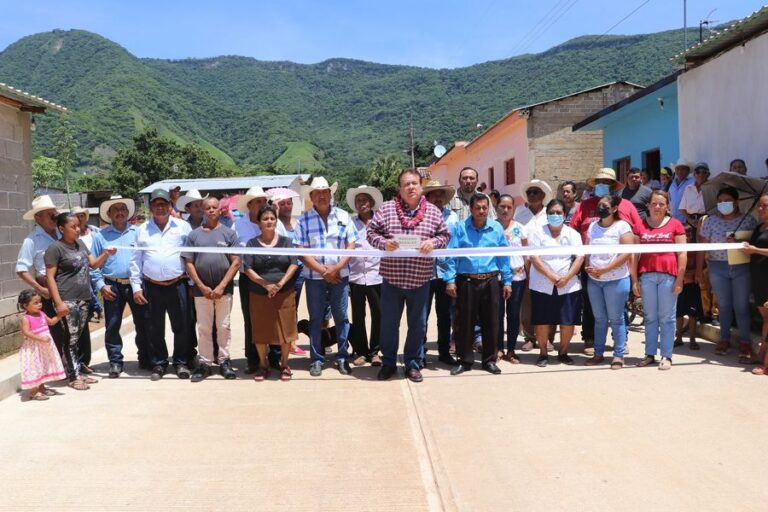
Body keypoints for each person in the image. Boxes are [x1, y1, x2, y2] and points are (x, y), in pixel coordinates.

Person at [367, 169, 450, 382]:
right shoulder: (386, 209)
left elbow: (444, 235)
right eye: (406, 184)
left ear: (421, 186)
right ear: (400, 189)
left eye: (414, 183)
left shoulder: (432, 211)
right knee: (389, 324)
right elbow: (371, 233)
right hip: (392, 279)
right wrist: (384, 243)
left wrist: (433, 243)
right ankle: (388, 363)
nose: (410, 187)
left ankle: (413, 363)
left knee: (418, 324)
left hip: (420, 279)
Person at [570, 167, 642, 356]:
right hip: (590, 268)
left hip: (618, 270)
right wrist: (583, 262)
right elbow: (573, 230)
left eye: (606, 182)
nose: (602, 185)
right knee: (591, 306)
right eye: (599, 182)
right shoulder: (584, 206)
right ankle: (590, 339)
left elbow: (637, 234)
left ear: (612, 185)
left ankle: (621, 341)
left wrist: (633, 267)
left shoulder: (626, 206)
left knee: (619, 309)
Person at [130, 188, 194, 381]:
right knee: (153, 327)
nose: (160, 208)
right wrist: (136, 287)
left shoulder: (183, 227)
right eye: (156, 205)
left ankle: (181, 362)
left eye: (164, 204)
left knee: (182, 325)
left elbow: (191, 255)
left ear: (170, 205)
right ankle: (159, 363)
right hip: (152, 286)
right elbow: (135, 260)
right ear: (150, 208)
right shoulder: (141, 230)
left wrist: (191, 283)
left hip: (178, 284)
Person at [296, 177, 357, 377]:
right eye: (317, 193)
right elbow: (302, 251)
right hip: (315, 278)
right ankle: (316, 359)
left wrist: (337, 267)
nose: (322, 196)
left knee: (342, 317)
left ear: (331, 194)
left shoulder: (343, 216)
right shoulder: (304, 220)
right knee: (316, 319)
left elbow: (351, 245)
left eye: (325, 192)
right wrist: (325, 271)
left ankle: (342, 356)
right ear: (311, 196)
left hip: (341, 276)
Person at [45, 213, 114, 390]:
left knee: (77, 337)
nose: (77, 229)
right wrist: (58, 303)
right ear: (62, 229)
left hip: (84, 298)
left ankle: (77, 370)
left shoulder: (80, 244)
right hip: (67, 299)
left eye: (78, 226)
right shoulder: (55, 248)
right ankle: (74, 376)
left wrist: (106, 254)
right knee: (70, 337)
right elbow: (50, 278)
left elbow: (94, 264)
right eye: (73, 226)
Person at [444, 194, 512, 375]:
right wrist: (449, 280)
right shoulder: (460, 228)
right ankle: (465, 361)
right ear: (471, 209)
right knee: (463, 322)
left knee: (492, 321)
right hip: (466, 280)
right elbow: (451, 255)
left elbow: (504, 256)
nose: (481, 211)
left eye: (484, 208)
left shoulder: (496, 228)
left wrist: (507, 280)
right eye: (477, 208)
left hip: (490, 280)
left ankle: (489, 360)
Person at [91, 195, 151, 377]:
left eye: (122, 209)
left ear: (127, 212)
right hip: (112, 286)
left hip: (136, 284)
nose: (119, 212)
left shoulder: (137, 232)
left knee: (143, 323)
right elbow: (93, 265)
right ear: (109, 214)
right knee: (113, 325)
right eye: (115, 210)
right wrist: (101, 286)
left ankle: (145, 358)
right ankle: (115, 362)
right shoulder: (100, 236)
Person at [183, 197, 240, 382]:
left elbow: (236, 262)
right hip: (202, 292)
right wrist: (201, 286)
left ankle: (224, 361)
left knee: (223, 327)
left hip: (224, 290)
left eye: (215, 207)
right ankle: (205, 363)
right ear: (202, 210)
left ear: (220, 210)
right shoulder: (194, 235)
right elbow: (189, 263)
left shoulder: (229, 234)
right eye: (207, 208)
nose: (211, 210)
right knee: (205, 328)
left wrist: (222, 285)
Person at [699, 186, 757, 363]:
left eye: (727, 201)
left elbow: (754, 243)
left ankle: (745, 342)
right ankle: (724, 339)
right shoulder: (711, 221)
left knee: (741, 306)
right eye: (720, 201)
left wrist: (739, 241)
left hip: (741, 268)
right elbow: (702, 246)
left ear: (736, 202)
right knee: (723, 306)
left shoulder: (749, 221)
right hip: (717, 267)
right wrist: (700, 269)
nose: (723, 204)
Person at [631, 190, 687, 371]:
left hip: (668, 276)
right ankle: (649, 354)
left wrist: (680, 279)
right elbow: (634, 255)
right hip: (647, 276)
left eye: (661, 204)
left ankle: (667, 355)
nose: (657, 207)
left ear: (667, 207)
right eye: (654, 203)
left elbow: (682, 254)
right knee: (650, 317)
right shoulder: (640, 226)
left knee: (667, 318)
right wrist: (634, 280)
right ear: (648, 205)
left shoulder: (676, 224)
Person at [243, 205, 300, 381]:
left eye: (272, 218)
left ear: (276, 221)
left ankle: (284, 365)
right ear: (259, 222)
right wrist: (266, 285)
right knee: (260, 330)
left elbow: (293, 263)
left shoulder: (286, 242)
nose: (269, 221)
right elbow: (247, 268)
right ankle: (263, 365)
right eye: (265, 218)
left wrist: (280, 284)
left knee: (286, 329)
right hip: (259, 293)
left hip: (285, 292)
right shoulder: (252, 243)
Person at [527, 200, 584, 367]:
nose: (555, 215)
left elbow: (580, 257)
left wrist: (567, 277)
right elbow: (534, 258)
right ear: (546, 215)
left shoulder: (573, 234)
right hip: (542, 283)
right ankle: (543, 353)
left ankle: (563, 352)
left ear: (565, 215)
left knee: (567, 321)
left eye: (559, 212)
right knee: (542, 320)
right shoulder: (537, 233)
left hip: (569, 283)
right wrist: (552, 276)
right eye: (552, 212)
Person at [583, 195, 634, 368]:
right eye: (599, 205)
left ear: (613, 209)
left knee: (617, 318)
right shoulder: (592, 226)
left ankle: (618, 355)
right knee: (599, 318)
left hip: (616, 279)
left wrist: (605, 269)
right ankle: (598, 354)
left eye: (605, 205)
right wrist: (588, 266)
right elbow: (587, 251)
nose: (601, 208)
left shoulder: (622, 226)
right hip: (594, 280)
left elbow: (627, 252)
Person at [16, 196, 64, 360]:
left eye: (54, 213)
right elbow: (21, 269)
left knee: (73, 327)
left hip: (67, 285)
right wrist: (41, 289)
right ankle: (57, 364)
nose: (53, 217)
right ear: (38, 217)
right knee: (55, 329)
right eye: (49, 214)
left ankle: (76, 364)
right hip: (48, 287)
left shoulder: (62, 233)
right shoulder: (31, 240)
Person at [423, 179, 460, 365]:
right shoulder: (420, 217)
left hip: (446, 273)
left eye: (440, 194)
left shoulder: (453, 218)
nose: (437, 198)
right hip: (423, 273)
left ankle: (444, 351)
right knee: (421, 315)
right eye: (434, 194)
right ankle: (419, 352)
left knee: (445, 315)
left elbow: (456, 246)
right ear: (427, 197)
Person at [346, 185, 384, 366]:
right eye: (359, 200)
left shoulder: (381, 222)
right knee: (358, 315)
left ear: (372, 202)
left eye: (365, 200)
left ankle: (375, 351)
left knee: (379, 315)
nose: (362, 203)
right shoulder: (350, 224)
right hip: (356, 277)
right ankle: (360, 351)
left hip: (378, 277)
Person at [234, 186, 270, 373]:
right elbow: (234, 254)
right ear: (249, 205)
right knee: (251, 318)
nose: (262, 205)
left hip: (271, 277)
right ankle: (253, 359)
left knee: (272, 317)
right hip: (248, 278)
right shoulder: (238, 226)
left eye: (264, 201)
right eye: (257, 202)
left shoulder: (273, 221)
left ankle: (273, 357)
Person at [515, 179, 553, 352]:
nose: (532, 195)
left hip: (548, 262)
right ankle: (530, 337)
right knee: (528, 301)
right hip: (525, 261)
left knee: (548, 300)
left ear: (543, 195)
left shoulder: (550, 212)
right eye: (529, 192)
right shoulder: (519, 212)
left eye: (535, 192)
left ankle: (549, 338)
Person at [273, 193, 307, 356]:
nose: (286, 206)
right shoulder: (275, 223)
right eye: (282, 203)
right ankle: (281, 340)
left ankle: (292, 341)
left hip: (299, 269)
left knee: (293, 306)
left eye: (289, 203)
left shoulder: (299, 223)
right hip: (282, 270)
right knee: (282, 306)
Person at [17, 289, 66, 401]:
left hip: (44, 348)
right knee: (35, 368)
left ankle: (42, 388)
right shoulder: (26, 318)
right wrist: (40, 338)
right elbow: (26, 332)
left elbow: (51, 322)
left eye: (40, 302)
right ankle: (34, 392)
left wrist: (59, 316)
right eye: (35, 303)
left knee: (43, 366)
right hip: (34, 349)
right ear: (25, 305)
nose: (39, 305)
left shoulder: (42, 314)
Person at [495, 194, 527, 363]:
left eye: (509, 207)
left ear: (513, 209)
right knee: (497, 314)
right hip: (496, 277)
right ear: (496, 207)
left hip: (518, 277)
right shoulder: (491, 227)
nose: (505, 210)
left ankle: (512, 350)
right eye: (502, 206)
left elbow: (527, 254)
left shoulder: (520, 228)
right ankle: (498, 349)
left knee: (513, 314)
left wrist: (528, 277)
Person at [743, 194, 768, 375]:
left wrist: (755, 250)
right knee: (766, 320)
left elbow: (756, 250)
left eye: (764, 206)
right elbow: (750, 251)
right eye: (759, 206)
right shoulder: (759, 228)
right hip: (759, 279)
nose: (760, 209)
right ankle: (761, 355)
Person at [675, 226, 703, 350]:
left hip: (692, 285)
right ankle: (679, 338)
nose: (687, 235)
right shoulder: (675, 249)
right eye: (685, 233)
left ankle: (692, 340)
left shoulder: (696, 248)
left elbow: (700, 267)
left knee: (693, 314)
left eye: (690, 233)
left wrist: (689, 274)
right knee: (678, 314)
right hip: (678, 285)